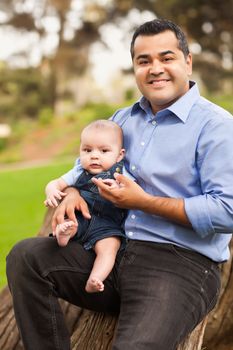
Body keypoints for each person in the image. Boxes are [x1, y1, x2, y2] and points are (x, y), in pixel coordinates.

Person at [6, 18, 233, 350]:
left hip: (181, 266)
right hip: (112, 253)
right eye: (144, 61)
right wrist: (70, 191)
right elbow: (85, 166)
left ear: (188, 62)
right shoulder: (122, 119)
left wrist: (143, 202)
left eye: (166, 57)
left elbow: (227, 211)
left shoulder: (217, 127)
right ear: (135, 69)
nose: (155, 69)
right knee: (27, 257)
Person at [44, 119, 127, 293]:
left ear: (119, 155)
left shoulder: (122, 173)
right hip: (80, 216)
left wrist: (119, 189)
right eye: (87, 150)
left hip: (106, 226)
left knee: (109, 248)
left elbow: (131, 191)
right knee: (70, 224)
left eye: (104, 151)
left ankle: (95, 279)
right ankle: (64, 234)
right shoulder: (78, 171)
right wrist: (51, 191)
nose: (94, 156)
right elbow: (56, 183)